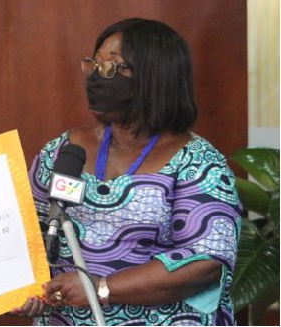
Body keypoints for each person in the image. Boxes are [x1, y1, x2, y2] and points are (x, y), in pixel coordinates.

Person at [13, 18, 242, 325]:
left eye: (111, 67)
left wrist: (102, 289)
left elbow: (205, 262)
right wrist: (26, 290)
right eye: (94, 64)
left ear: (154, 77)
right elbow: (28, 236)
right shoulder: (62, 151)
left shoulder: (199, 163)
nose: (96, 76)